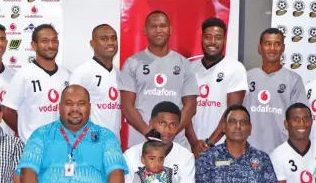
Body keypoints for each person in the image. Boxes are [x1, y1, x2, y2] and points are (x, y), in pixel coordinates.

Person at [120, 10, 199, 150]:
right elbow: (127, 106)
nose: (158, 30)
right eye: (153, 26)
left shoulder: (184, 64)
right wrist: (148, 132)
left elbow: (190, 106)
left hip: (176, 144)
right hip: (141, 142)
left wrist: (171, 132)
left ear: (170, 30)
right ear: (145, 30)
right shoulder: (132, 63)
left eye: (162, 26)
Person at [187, 17, 248, 157]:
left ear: (224, 41)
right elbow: (185, 110)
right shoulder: (190, 68)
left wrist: (209, 143)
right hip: (191, 148)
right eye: (208, 37)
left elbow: (232, 113)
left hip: (221, 148)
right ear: (201, 38)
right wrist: (194, 143)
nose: (213, 42)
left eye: (218, 37)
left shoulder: (235, 68)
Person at [3, 24, 71, 144]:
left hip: (62, 146)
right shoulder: (24, 74)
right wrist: (27, 136)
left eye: (54, 40)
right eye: (45, 41)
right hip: (34, 149)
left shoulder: (67, 75)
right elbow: (7, 111)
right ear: (34, 45)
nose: (51, 45)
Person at [245, 28, 308, 155]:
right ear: (260, 48)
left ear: (283, 48)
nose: (272, 48)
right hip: (249, 149)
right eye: (268, 44)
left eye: (277, 44)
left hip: (281, 151)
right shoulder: (247, 77)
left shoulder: (293, 80)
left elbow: (300, 119)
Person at [69, 24, 121, 137]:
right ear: (93, 44)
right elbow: (71, 111)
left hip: (113, 143)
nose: (111, 42)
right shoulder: (82, 73)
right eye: (104, 39)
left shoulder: (119, 74)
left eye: (113, 38)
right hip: (89, 142)